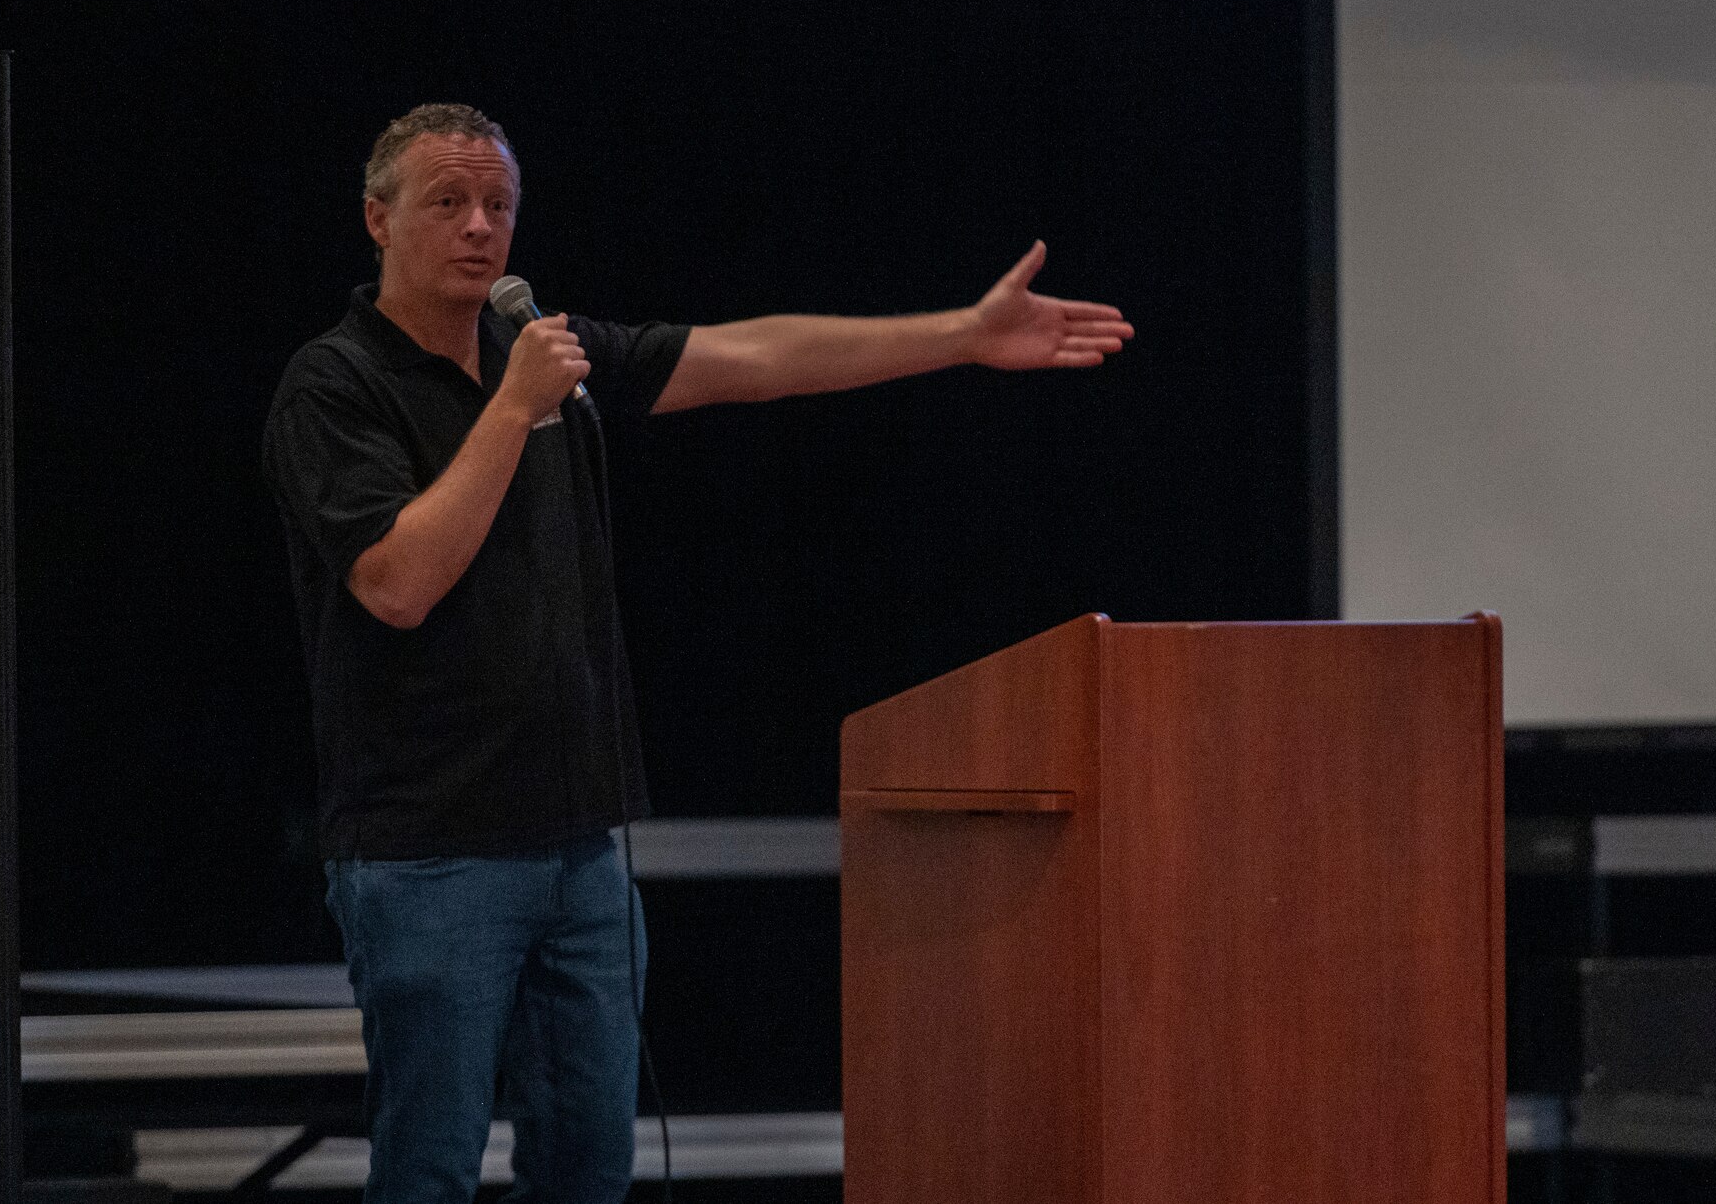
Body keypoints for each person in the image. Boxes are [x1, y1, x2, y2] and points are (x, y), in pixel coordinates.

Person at [261, 103, 1132, 1204]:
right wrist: (514, 407)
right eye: (448, 202)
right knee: (429, 1161)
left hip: (578, 848)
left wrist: (957, 333)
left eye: (498, 205)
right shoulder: (337, 384)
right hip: (426, 850)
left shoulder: (549, 360)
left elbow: (752, 354)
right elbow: (395, 581)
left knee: (589, 1160)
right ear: (377, 221)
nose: (481, 227)